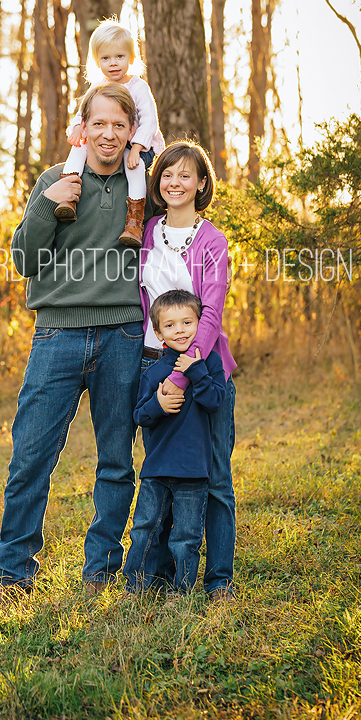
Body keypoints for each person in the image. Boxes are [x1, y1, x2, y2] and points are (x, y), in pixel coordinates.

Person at [0, 81, 146, 595]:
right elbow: (24, 260)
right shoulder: (55, 179)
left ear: (131, 133)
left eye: (119, 125)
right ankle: (15, 572)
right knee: (31, 455)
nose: (108, 134)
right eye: (99, 123)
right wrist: (46, 204)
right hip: (57, 334)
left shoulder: (141, 187)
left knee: (116, 460)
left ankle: (101, 568)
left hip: (123, 335)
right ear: (83, 128)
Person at [138, 140, 238, 601]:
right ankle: (156, 578)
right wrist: (156, 380)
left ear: (201, 183)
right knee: (161, 475)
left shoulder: (212, 243)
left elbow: (212, 315)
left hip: (203, 370)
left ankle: (218, 581)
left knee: (214, 478)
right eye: (166, 175)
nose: (174, 183)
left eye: (185, 175)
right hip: (155, 366)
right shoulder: (146, 232)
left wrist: (180, 376)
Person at [123, 290, 226, 593]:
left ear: (200, 324)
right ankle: (136, 588)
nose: (179, 330)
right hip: (156, 468)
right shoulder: (155, 372)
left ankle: (180, 593)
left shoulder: (211, 363)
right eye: (170, 326)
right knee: (145, 530)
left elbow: (215, 401)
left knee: (185, 536)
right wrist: (157, 404)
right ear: (158, 333)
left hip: (194, 470)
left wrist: (196, 372)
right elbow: (140, 415)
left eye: (186, 322)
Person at [55, 20, 165, 248]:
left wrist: (136, 148)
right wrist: (77, 127)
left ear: (131, 58)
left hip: (137, 145)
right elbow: (83, 113)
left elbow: (150, 122)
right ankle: (68, 196)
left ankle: (134, 221)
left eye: (119, 57)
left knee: (132, 167)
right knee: (78, 147)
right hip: (108, 142)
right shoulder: (98, 86)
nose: (113, 64)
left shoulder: (138, 87)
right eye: (105, 58)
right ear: (97, 61)